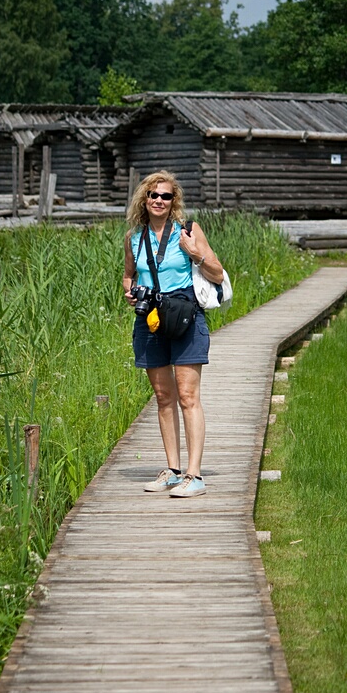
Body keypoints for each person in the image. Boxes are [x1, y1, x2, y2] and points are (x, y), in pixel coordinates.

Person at [123, 170, 224, 497]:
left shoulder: (189, 231)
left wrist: (196, 253)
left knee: (187, 396)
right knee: (163, 397)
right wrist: (131, 291)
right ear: (144, 199)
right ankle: (173, 469)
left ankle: (194, 476)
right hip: (150, 320)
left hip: (183, 316)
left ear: (173, 201)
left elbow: (217, 273)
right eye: (153, 195)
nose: (159, 201)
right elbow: (127, 276)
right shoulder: (134, 238)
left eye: (166, 196)